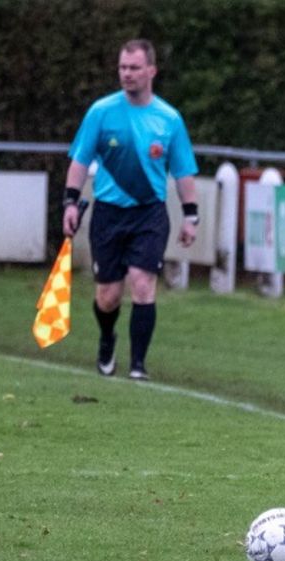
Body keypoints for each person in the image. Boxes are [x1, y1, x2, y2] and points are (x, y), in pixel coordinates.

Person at [61, 39, 199, 381]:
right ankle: (107, 340)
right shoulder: (101, 112)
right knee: (108, 296)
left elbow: (183, 171)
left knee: (142, 283)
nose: (127, 74)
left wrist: (191, 215)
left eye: (134, 67)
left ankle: (138, 364)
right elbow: (80, 160)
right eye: (123, 67)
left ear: (151, 71)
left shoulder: (169, 119)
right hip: (108, 213)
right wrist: (69, 202)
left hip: (149, 214)